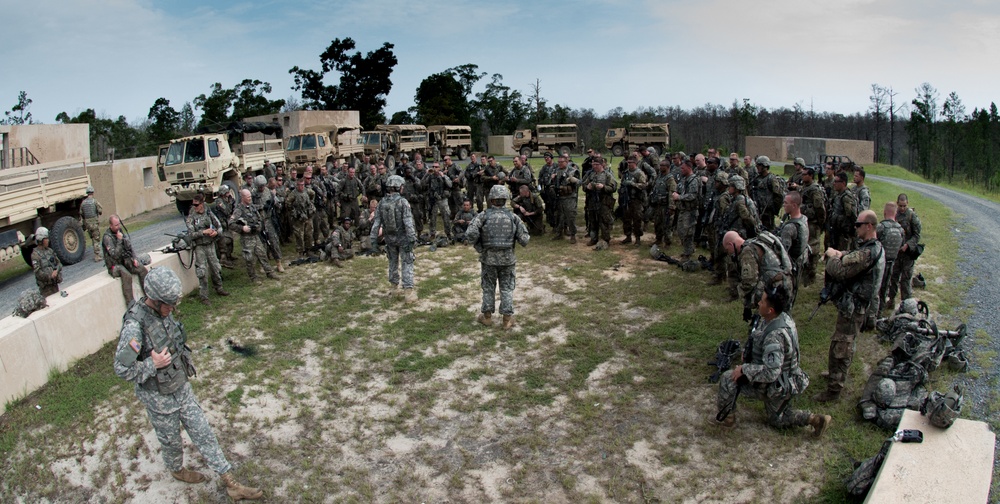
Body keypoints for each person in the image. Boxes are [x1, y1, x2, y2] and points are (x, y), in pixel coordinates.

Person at [113, 267, 263, 501]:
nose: (173, 309)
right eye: (169, 305)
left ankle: (230, 482)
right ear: (154, 300)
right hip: (160, 399)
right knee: (171, 441)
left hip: (180, 387)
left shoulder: (164, 310)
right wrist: (152, 364)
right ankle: (177, 470)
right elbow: (121, 368)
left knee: (203, 431)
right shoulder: (134, 326)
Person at [713, 284, 832, 436]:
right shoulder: (783, 318)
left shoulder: (774, 336)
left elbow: (771, 372)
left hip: (776, 384)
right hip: (787, 378)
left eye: (762, 302)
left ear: (770, 310)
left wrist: (744, 369)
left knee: (728, 379)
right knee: (777, 419)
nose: (758, 303)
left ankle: (727, 420)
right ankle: (815, 419)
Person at [813, 209, 885, 403]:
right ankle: (835, 373)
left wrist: (831, 258)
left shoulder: (868, 252)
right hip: (855, 305)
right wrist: (841, 253)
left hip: (854, 307)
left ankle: (834, 390)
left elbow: (840, 271)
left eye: (858, 225)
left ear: (869, 226)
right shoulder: (873, 247)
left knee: (842, 345)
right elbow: (854, 255)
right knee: (845, 342)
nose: (855, 228)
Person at [466, 185, 530, 329]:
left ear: (491, 199)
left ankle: (487, 317)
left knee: (488, 287)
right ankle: (507, 320)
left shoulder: (483, 216)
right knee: (506, 288)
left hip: (488, 259)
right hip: (508, 260)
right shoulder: (513, 217)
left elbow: (470, 234)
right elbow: (524, 240)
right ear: (505, 199)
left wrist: (480, 246)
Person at [370, 175, 418, 303]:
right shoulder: (403, 202)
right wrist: (412, 239)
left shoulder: (381, 203)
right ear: (399, 187)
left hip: (389, 239)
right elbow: (408, 223)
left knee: (392, 263)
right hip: (403, 239)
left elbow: (376, 223)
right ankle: (408, 293)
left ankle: (393, 289)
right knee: (407, 263)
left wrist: (374, 240)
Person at [184, 193, 230, 305]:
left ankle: (219, 288)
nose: (195, 207)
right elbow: (190, 234)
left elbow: (219, 226)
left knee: (216, 268)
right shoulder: (191, 217)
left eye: (197, 204)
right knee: (202, 272)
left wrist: (215, 232)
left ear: (202, 204)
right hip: (199, 247)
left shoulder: (208, 213)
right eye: (193, 205)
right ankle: (204, 296)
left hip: (210, 245)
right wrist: (203, 232)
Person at [230, 189, 278, 284]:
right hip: (247, 238)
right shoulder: (239, 210)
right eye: (248, 197)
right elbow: (231, 224)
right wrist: (242, 228)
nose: (250, 198)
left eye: (250, 196)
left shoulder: (252, 207)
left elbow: (259, 218)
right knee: (250, 259)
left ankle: (269, 272)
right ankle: (253, 277)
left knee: (262, 254)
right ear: (243, 198)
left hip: (255, 235)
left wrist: (258, 226)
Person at [104, 215, 149, 307]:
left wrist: (135, 258)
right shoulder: (107, 238)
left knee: (142, 269)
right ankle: (131, 305)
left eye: (119, 224)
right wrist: (120, 240)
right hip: (114, 266)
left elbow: (129, 247)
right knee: (127, 275)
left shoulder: (120, 232)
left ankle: (149, 297)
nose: (118, 227)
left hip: (125, 261)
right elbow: (115, 255)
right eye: (116, 225)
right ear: (110, 226)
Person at [886, 193, 922, 308]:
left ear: (907, 204)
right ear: (897, 204)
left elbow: (917, 235)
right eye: (900, 206)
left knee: (905, 280)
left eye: (904, 206)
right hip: (896, 253)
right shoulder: (894, 215)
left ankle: (905, 305)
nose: (902, 208)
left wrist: (907, 245)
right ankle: (891, 300)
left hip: (907, 254)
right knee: (893, 277)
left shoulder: (912, 216)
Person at [777, 191, 809, 304]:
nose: (783, 205)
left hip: (791, 265)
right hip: (800, 261)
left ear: (794, 205)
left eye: (786, 203)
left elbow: (783, 252)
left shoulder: (789, 228)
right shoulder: (803, 219)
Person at [581, 157, 617, 250]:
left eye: (596, 165)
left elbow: (613, 188)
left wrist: (603, 187)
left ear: (601, 165)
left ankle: (605, 239)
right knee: (593, 221)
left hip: (604, 202)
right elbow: (583, 185)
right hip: (592, 201)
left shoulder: (607, 175)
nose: (594, 166)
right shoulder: (591, 175)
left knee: (604, 221)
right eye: (593, 165)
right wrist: (587, 187)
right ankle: (594, 238)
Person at [798, 167, 826, 285]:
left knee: (813, 248)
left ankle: (811, 274)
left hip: (812, 223)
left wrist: (820, 223)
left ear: (811, 176)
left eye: (805, 174)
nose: (802, 176)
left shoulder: (814, 190)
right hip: (804, 221)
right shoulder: (804, 187)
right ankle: (804, 273)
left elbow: (820, 208)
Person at [876, 202, 904, 312]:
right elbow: (901, 246)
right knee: (885, 288)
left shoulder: (881, 227)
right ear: (895, 213)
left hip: (879, 263)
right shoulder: (900, 230)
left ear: (884, 212)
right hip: (892, 263)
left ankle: (872, 313)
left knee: (876, 288)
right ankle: (880, 311)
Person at [673, 158, 702, 266]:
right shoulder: (684, 179)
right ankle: (687, 250)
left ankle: (688, 253)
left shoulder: (693, 180)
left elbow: (692, 196)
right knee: (680, 231)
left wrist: (679, 197)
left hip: (690, 211)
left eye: (683, 168)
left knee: (688, 233)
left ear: (689, 168)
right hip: (683, 210)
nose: (681, 170)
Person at [551, 155, 581, 243]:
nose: (559, 164)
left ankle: (573, 234)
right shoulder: (556, 171)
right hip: (559, 197)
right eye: (558, 162)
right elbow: (552, 183)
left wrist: (573, 180)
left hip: (569, 197)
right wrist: (552, 179)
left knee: (570, 216)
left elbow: (579, 183)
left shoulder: (573, 171)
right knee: (559, 216)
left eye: (561, 162)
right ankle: (559, 233)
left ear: (566, 162)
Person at [649, 159, 678, 247]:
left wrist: (671, 207)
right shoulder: (659, 177)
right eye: (660, 165)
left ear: (668, 167)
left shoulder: (670, 179)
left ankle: (667, 242)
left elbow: (671, 193)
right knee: (657, 224)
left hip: (666, 206)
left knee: (667, 225)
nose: (660, 167)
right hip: (658, 205)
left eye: (663, 166)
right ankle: (658, 240)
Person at [619, 157, 648, 246]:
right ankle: (628, 236)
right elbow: (622, 183)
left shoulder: (639, 173)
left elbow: (644, 185)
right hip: (626, 199)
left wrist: (633, 184)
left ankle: (638, 238)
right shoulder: (626, 173)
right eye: (628, 163)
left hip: (636, 199)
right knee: (626, 218)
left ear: (635, 163)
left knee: (637, 219)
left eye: (631, 163)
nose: (629, 164)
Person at [285, 177, 316, 257]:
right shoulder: (293, 194)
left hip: (308, 216)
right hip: (299, 218)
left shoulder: (307, 191)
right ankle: (300, 251)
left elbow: (313, 194)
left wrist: (311, 204)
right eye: (299, 185)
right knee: (299, 235)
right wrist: (294, 212)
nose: (301, 187)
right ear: (297, 185)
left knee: (309, 233)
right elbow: (288, 203)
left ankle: (309, 250)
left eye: (302, 185)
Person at [827, 172, 858, 251]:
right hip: (836, 230)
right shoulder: (838, 195)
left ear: (843, 183)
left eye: (836, 182)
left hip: (843, 233)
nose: (834, 184)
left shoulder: (846, 197)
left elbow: (852, 216)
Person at [31, 226, 62, 297]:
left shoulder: (50, 251)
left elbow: (59, 264)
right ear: (41, 240)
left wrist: (56, 271)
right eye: (46, 238)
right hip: (45, 289)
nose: (48, 240)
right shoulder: (35, 255)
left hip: (55, 285)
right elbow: (38, 272)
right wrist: (49, 276)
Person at [79, 185, 104, 262]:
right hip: (94, 223)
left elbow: (81, 213)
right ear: (92, 192)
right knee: (96, 239)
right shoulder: (94, 201)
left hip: (88, 224)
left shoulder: (83, 203)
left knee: (93, 238)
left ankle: (96, 252)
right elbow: (100, 211)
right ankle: (97, 256)